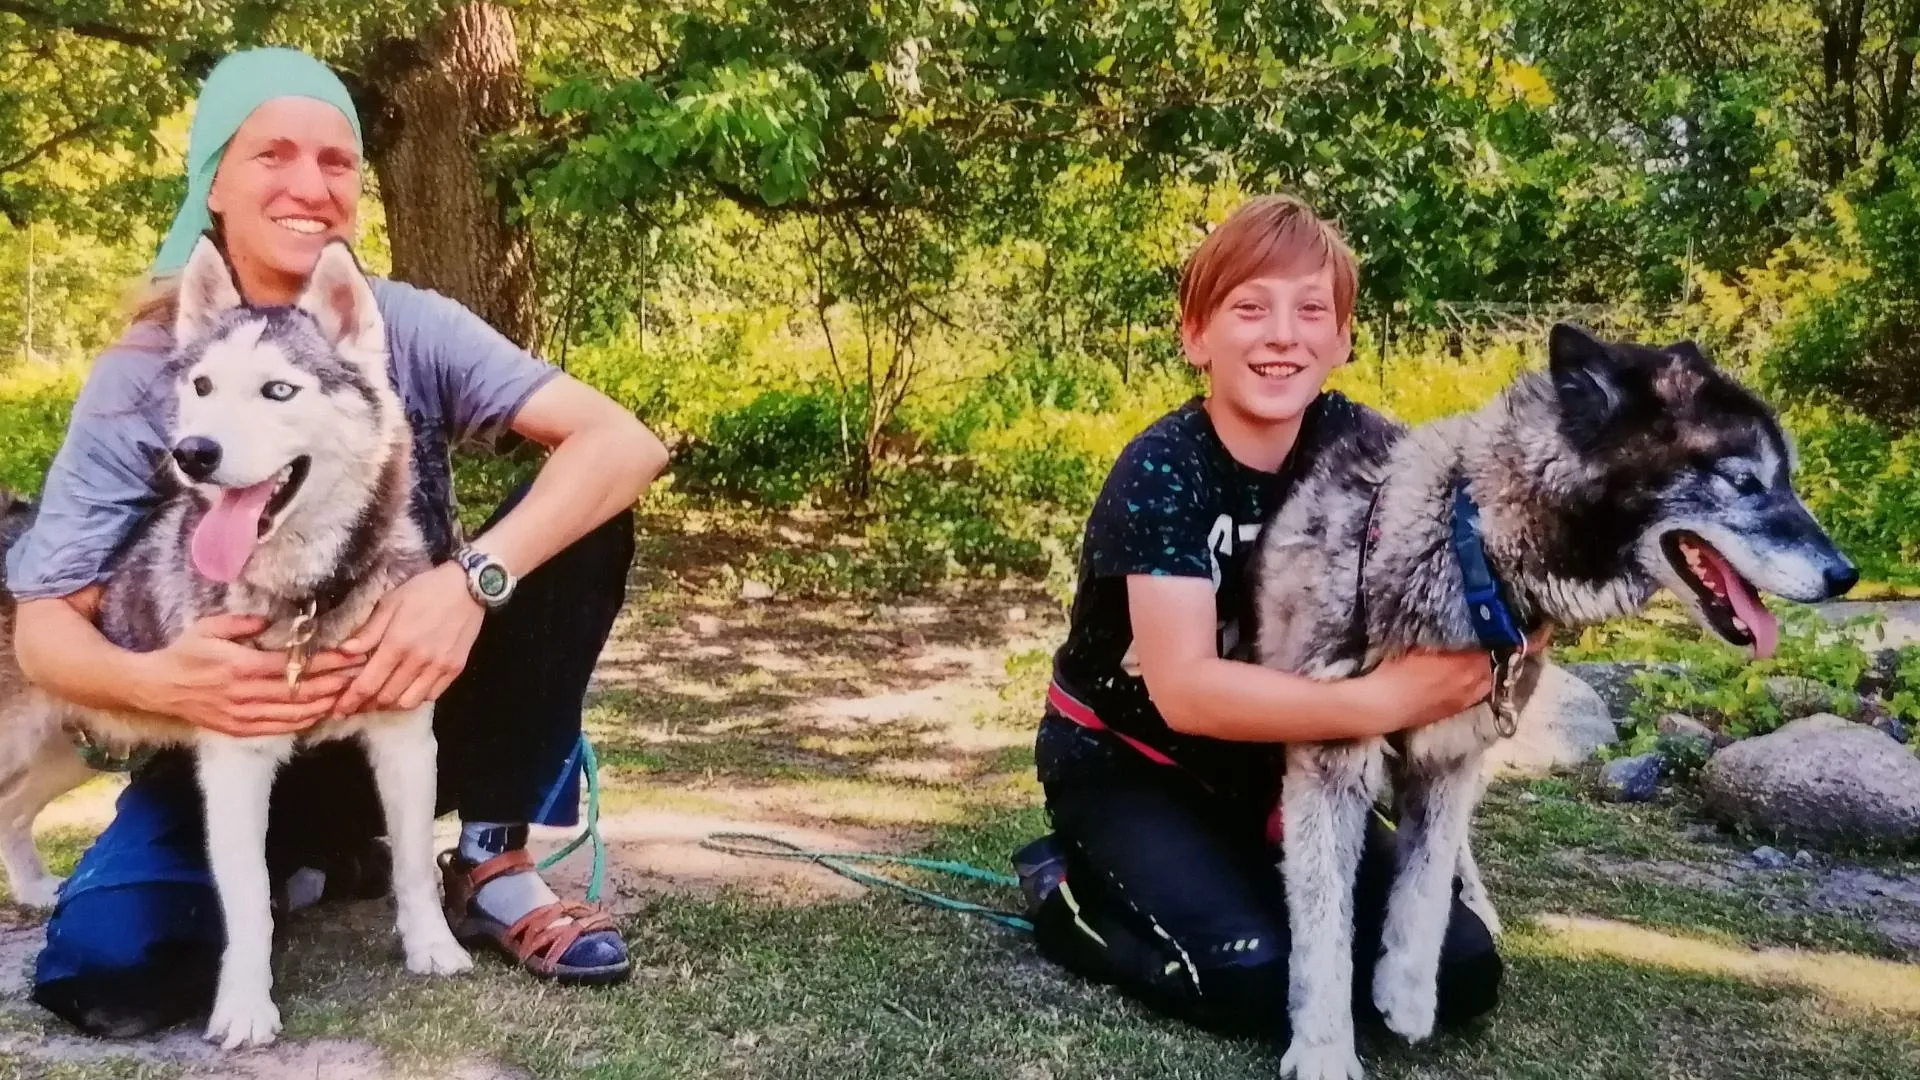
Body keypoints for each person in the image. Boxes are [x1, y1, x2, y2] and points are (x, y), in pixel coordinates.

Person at [5, 48, 670, 1037]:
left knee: (584, 511)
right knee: (111, 970)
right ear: (213, 182)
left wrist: (468, 582)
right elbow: (42, 631)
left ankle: (490, 859)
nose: (309, 185)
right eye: (272, 154)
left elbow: (625, 444)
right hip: (232, 722)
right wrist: (160, 683)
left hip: (404, 682)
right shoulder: (145, 370)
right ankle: (324, 852)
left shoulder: (404, 323)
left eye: (336, 160)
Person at [1011, 194, 1531, 1045]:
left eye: (1311, 311)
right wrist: (1385, 702)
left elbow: (1490, 558)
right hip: (1133, 766)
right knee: (1251, 978)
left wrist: (1517, 630)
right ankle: (1064, 892)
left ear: (1343, 339)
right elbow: (1186, 692)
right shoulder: (1163, 471)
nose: (1282, 335)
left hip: (1286, 769)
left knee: (1463, 972)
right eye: (1250, 308)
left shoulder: (1379, 453)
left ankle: (1241, 874)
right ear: (1197, 336)